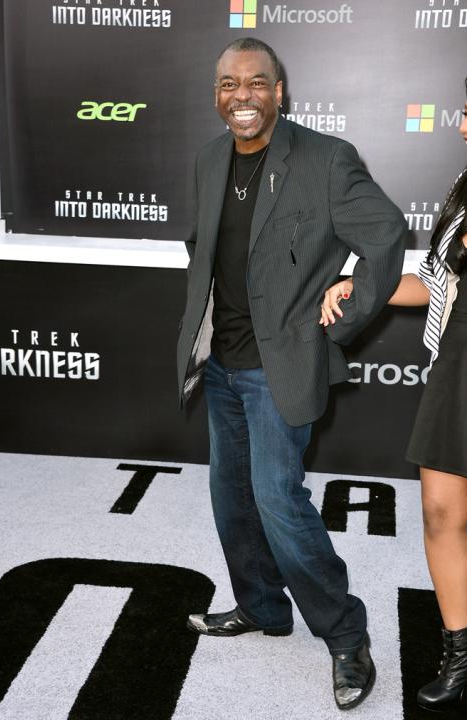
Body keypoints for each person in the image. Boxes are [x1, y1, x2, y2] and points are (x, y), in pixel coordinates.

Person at [177, 37, 407, 710]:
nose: (241, 95)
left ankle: (347, 636)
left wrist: (343, 308)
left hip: (279, 364)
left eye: (255, 82)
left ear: (279, 91)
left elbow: (386, 233)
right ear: (216, 95)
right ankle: (262, 607)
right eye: (228, 84)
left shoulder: (325, 159)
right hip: (222, 363)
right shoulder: (210, 159)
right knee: (230, 497)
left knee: (279, 501)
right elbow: (202, 246)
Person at [320, 81, 467, 713]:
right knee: (440, 512)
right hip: (456, 362)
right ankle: (461, 652)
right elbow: (434, 281)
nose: (464, 126)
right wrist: (359, 285)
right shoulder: (462, 188)